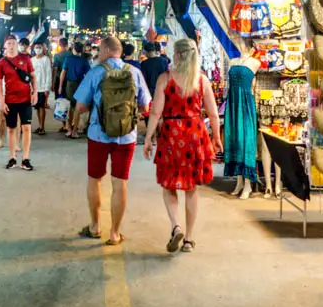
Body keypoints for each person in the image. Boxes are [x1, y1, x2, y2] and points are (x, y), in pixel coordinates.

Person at [144, 38, 222, 253]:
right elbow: (213, 113)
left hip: (171, 135)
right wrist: (216, 137)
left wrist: (149, 137)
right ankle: (188, 239)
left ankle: (175, 226)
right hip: (195, 135)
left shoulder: (165, 79)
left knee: (169, 185)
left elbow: (155, 112)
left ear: (176, 55)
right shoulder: (202, 81)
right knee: (191, 188)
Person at [74, 36, 151, 246]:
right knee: (120, 183)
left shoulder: (96, 72)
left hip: (99, 134)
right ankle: (115, 233)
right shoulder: (134, 73)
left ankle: (95, 227)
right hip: (126, 136)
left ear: (108, 50)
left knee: (95, 179)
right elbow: (146, 106)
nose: (98, 54)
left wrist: (95, 107)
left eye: (100, 50)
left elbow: (80, 106)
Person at [0, 36, 37, 170]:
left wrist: (34, 92)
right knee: (11, 129)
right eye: (9, 44)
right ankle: (12, 158)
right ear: (5, 46)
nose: (12, 46)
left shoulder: (26, 59)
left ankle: (25, 159)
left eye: (13, 43)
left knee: (26, 128)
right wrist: (1, 101)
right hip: (10, 100)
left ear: (17, 45)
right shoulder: (2, 63)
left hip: (25, 99)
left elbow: (33, 77)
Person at [59, 42, 91, 138]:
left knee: (70, 107)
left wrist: (60, 86)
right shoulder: (84, 61)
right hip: (80, 85)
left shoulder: (68, 59)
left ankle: (69, 129)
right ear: (82, 50)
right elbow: (88, 75)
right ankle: (74, 131)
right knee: (77, 108)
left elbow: (63, 73)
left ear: (73, 49)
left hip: (69, 84)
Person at [31, 41, 53, 136]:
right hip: (34, 88)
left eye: (39, 47)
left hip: (43, 87)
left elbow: (48, 74)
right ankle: (40, 126)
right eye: (36, 47)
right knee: (37, 108)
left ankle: (42, 127)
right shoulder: (32, 60)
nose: (38, 49)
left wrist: (46, 88)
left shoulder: (46, 59)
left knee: (42, 107)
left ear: (43, 48)